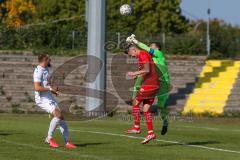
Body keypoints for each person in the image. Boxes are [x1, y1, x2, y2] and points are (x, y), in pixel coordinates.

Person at [127, 34, 171, 135]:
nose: (150, 47)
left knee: (161, 105)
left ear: (157, 48)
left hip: (164, 82)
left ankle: (165, 121)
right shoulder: (148, 57)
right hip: (154, 82)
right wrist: (137, 74)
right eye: (150, 46)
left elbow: (146, 49)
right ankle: (135, 102)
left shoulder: (159, 54)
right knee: (140, 101)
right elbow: (145, 69)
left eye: (152, 46)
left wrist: (136, 42)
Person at [33, 54, 77, 148]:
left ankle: (67, 142)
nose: (50, 60)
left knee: (61, 118)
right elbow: (37, 87)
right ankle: (49, 138)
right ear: (45, 60)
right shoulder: (38, 71)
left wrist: (54, 90)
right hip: (42, 99)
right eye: (49, 59)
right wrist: (50, 89)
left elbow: (47, 85)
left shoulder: (46, 70)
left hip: (48, 97)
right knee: (58, 115)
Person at [125, 45, 159, 144]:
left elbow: (147, 69)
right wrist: (138, 75)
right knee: (145, 109)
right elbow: (146, 71)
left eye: (131, 54)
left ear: (133, 49)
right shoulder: (142, 56)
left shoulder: (143, 54)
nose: (132, 56)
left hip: (150, 84)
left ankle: (136, 127)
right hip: (154, 84)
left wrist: (134, 73)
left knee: (135, 102)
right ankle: (150, 133)